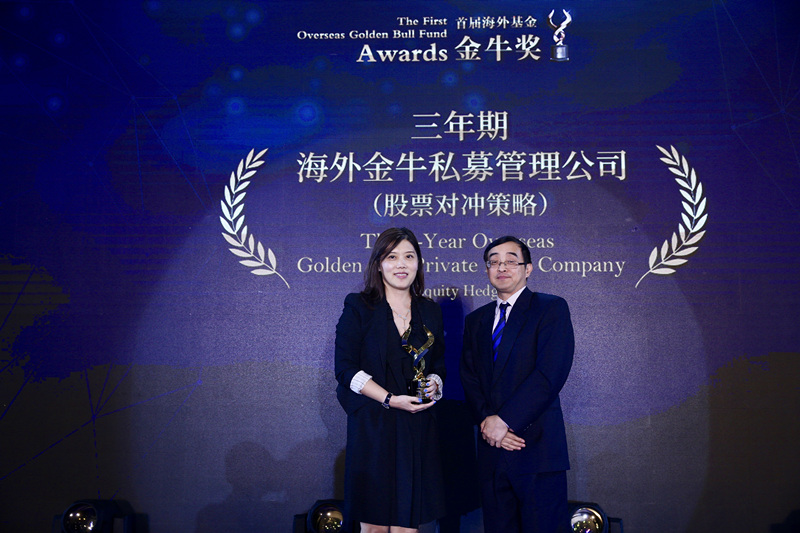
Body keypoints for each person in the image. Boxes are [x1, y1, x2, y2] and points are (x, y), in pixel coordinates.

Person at [335, 227, 447, 533]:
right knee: (373, 527)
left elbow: (438, 362)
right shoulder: (359, 306)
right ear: (379, 264)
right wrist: (388, 399)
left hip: (416, 427)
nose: (401, 264)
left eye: (409, 257)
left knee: (406, 527)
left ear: (418, 263)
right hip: (373, 426)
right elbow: (345, 369)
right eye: (392, 256)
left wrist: (435, 382)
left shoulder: (430, 310)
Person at [460, 236, 574, 533]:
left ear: (528, 268)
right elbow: (469, 377)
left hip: (536, 447)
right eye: (494, 262)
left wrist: (505, 421)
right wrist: (489, 424)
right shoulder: (476, 320)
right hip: (492, 450)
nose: (502, 267)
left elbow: (549, 373)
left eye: (511, 261)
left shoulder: (550, 308)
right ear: (487, 270)